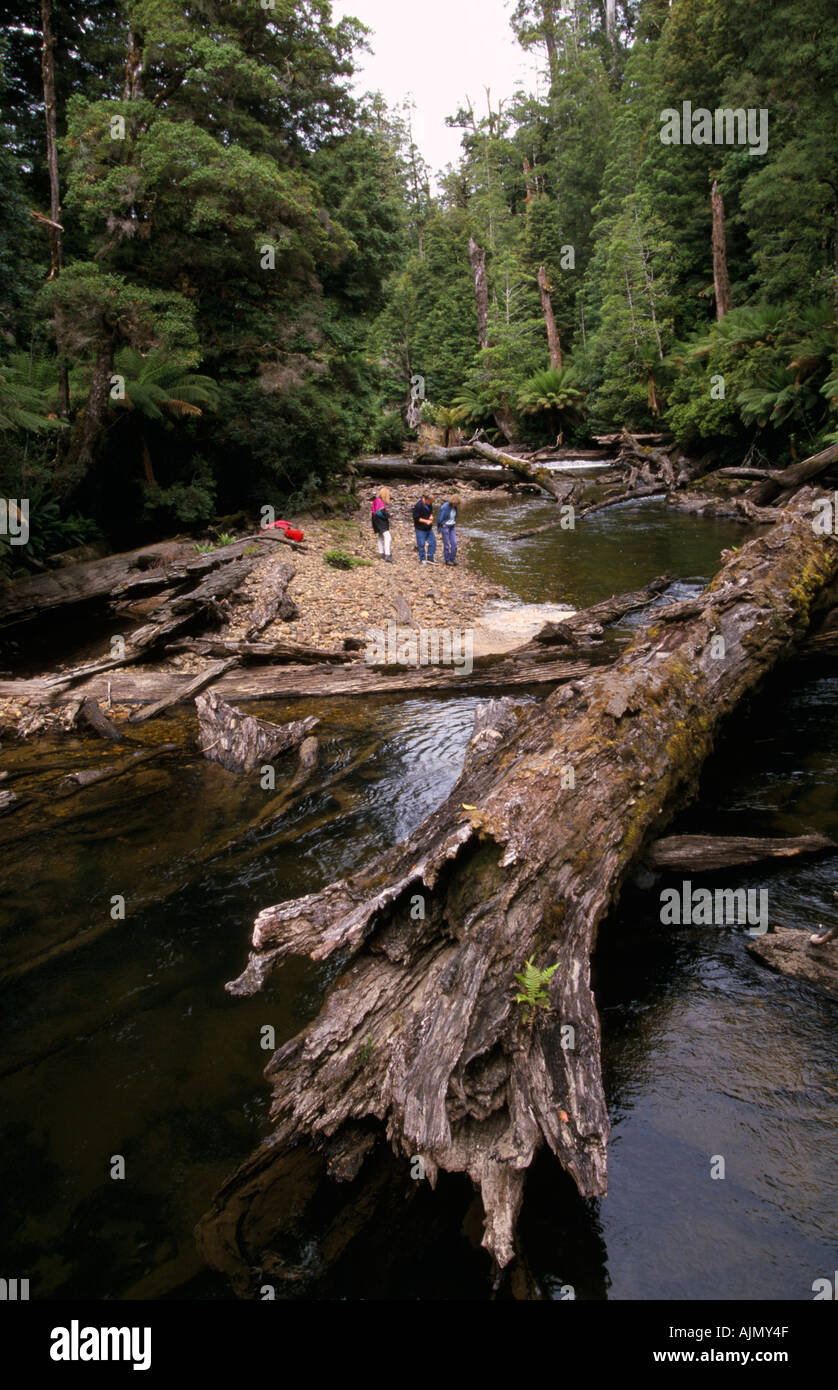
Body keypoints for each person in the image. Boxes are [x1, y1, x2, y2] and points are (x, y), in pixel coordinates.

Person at [412, 492, 436, 563]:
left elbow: (430, 511)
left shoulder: (429, 504)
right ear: (426, 500)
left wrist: (431, 515)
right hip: (420, 528)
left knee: (433, 542)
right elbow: (416, 518)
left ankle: (430, 557)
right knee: (421, 544)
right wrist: (426, 521)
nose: (431, 504)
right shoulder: (418, 505)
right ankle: (422, 558)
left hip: (428, 528)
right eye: (430, 502)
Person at [370, 486, 393, 561]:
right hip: (380, 522)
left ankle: (381, 553)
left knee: (380, 536)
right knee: (388, 537)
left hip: (375, 521)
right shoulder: (380, 501)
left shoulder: (376, 500)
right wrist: (388, 515)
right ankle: (387, 555)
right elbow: (380, 513)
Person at [437, 495, 458, 566]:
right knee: (446, 544)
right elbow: (440, 518)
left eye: (456, 504)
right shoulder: (445, 507)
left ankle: (452, 559)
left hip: (452, 526)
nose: (455, 505)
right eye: (454, 503)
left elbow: (454, 516)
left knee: (454, 543)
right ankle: (447, 560)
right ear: (452, 502)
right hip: (445, 526)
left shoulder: (455, 507)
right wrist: (443, 524)